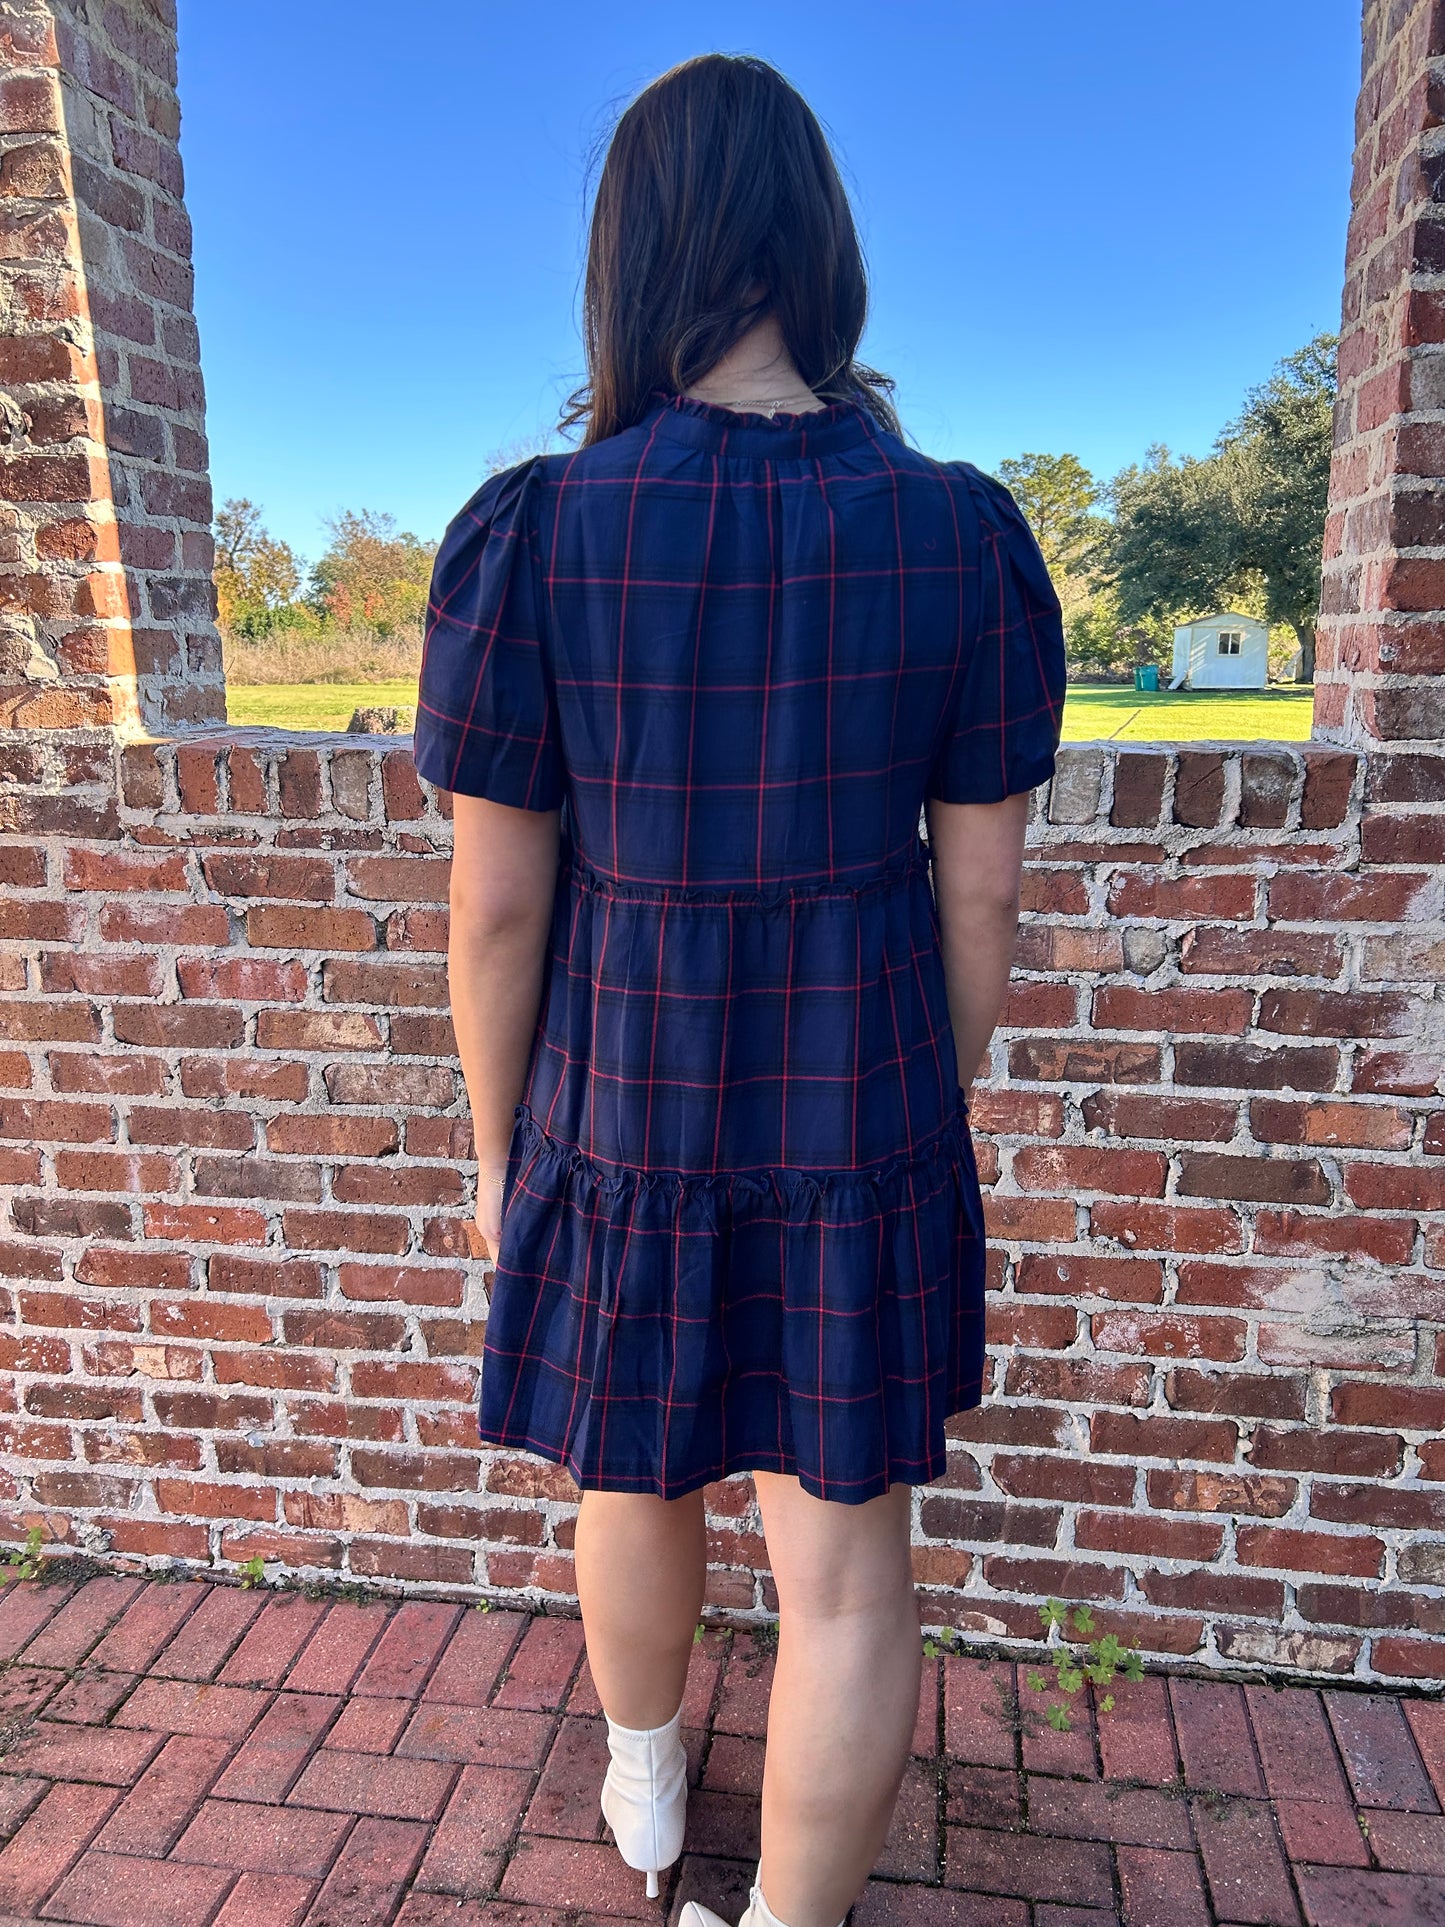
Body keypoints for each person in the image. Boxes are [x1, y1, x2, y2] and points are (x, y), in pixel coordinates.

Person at [412, 50, 1066, 1927]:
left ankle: (640, 1789)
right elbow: (987, 893)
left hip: (618, 1098)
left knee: (637, 1466)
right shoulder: (958, 532)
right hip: (854, 1098)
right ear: (820, 245)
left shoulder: (541, 530)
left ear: (634, 256)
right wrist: (914, 1106)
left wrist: (496, 1153)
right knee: (849, 1570)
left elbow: (496, 913)